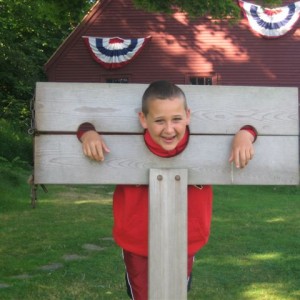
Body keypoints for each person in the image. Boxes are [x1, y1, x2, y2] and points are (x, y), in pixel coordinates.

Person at [77, 80, 257, 300]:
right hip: (137, 242)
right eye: (159, 120)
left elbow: (259, 121)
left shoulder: (203, 144)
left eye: (177, 119)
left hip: (185, 240)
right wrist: (86, 132)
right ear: (143, 119)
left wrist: (246, 134)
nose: (169, 129)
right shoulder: (124, 143)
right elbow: (80, 123)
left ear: (188, 116)